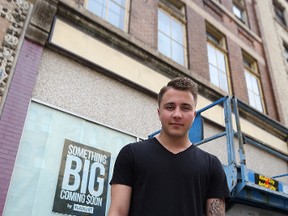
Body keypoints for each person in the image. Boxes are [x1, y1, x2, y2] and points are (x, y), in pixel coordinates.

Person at [108, 77, 230, 216]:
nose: (177, 114)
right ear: (159, 112)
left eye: (185, 108)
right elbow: (117, 211)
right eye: (170, 107)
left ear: (194, 115)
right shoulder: (131, 154)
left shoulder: (212, 165)